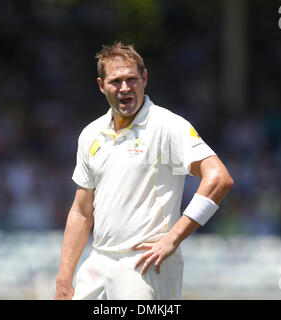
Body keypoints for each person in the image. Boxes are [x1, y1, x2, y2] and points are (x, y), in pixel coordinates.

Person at [54, 42, 234, 300]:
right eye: (116, 81)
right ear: (101, 85)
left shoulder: (166, 125)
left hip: (145, 264)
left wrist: (174, 237)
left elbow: (219, 178)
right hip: (98, 262)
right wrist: (63, 277)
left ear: (145, 78)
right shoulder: (91, 134)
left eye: (132, 79)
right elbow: (82, 212)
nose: (125, 88)